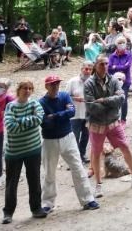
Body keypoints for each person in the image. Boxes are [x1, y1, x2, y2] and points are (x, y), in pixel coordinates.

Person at [84, 55, 132, 196]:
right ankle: (98, 185)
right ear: (95, 65)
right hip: (97, 124)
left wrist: (104, 101)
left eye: (106, 63)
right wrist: (111, 105)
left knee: (125, 147)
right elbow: (91, 106)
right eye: (101, 64)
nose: (105, 66)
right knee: (96, 152)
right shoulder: (89, 84)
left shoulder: (113, 80)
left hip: (113, 122)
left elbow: (121, 97)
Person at [39, 75, 99, 213]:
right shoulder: (41, 102)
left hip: (68, 137)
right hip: (50, 140)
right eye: (52, 84)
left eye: (57, 84)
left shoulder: (65, 96)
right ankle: (47, 203)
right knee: (49, 172)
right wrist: (62, 114)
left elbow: (71, 112)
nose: (55, 87)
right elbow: (44, 122)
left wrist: (54, 116)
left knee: (78, 167)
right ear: (46, 86)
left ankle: (87, 199)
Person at [2, 80, 47, 224]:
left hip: (33, 149)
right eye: (24, 88)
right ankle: (8, 212)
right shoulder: (11, 106)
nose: (27, 91)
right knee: (11, 183)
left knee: (34, 180)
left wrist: (20, 121)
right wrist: (28, 121)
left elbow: (39, 119)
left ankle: (36, 208)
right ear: (18, 89)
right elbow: (10, 126)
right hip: (14, 152)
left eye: (30, 88)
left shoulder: (35, 104)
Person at [67, 61, 93, 163]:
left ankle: (82, 154)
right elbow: (65, 97)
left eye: (90, 69)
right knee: (75, 137)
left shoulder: (92, 81)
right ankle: (75, 158)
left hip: (88, 114)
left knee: (86, 136)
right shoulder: (72, 81)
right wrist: (74, 98)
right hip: (75, 114)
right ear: (81, 69)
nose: (87, 71)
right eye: (86, 69)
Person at [107, 36, 132, 123]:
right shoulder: (112, 56)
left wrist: (115, 67)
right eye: (119, 43)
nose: (121, 44)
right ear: (116, 44)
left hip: (126, 81)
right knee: (114, 99)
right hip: (114, 81)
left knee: (124, 100)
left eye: (123, 42)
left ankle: (123, 119)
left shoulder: (129, 54)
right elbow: (109, 68)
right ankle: (115, 118)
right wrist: (119, 67)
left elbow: (127, 67)